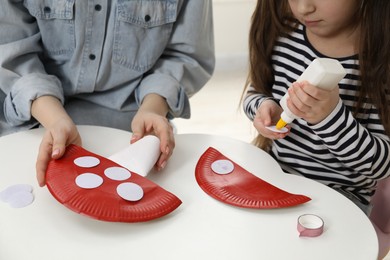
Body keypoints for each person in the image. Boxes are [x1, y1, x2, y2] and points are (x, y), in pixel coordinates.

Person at [0, 1, 215, 187]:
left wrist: (152, 108)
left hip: (133, 135)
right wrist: (55, 120)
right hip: (34, 120)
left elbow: (185, 54)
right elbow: (10, 46)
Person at [242, 0, 389, 258]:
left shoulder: (380, 60)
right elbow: (257, 91)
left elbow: (380, 166)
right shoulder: (286, 35)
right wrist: (263, 107)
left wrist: (329, 117)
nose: (303, 8)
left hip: (342, 199)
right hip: (277, 177)